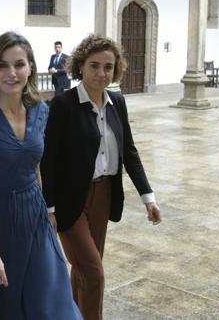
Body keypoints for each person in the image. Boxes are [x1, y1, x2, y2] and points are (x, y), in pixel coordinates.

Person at [0, 31, 81, 319]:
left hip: (35, 220)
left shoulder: (40, 110)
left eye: (19, 64)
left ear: (31, 67)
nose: (11, 73)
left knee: (52, 306)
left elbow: (34, 165)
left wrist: (47, 213)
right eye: (2, 65)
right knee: (1, 308)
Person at [41, 34, 162, 320]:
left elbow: (128, 152)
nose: (101, 73)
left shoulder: (117, 102)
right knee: (94, 273)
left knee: (84, 270)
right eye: (94, 65)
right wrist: (49, 208)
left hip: (104, 196)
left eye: (108, 67)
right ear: (80, 66)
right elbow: (49, 160)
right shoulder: (63, 106)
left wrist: (148, 198)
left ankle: (68, 315)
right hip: (71, 200)